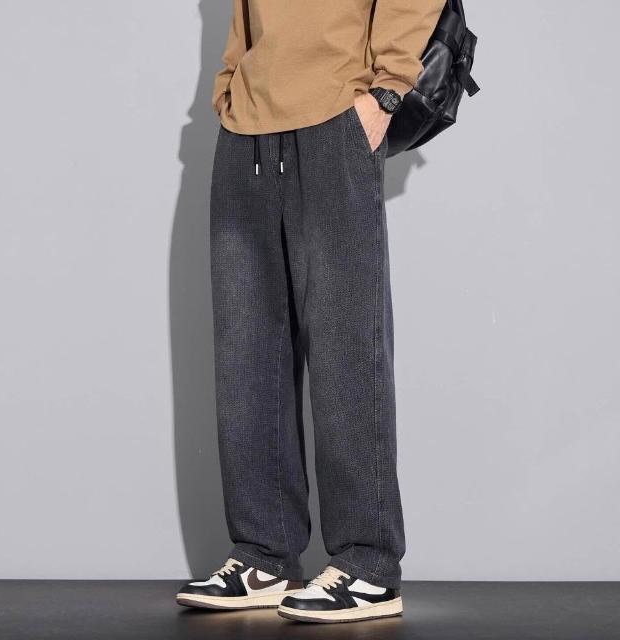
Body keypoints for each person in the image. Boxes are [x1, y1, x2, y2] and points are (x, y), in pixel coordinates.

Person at [177, 0, 445, 624]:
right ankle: (263, 554)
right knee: (247, 353)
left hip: (336, 115)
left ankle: (368, 564)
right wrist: (229, 83)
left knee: (347, 346)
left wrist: (386, 93)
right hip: (246, 127)